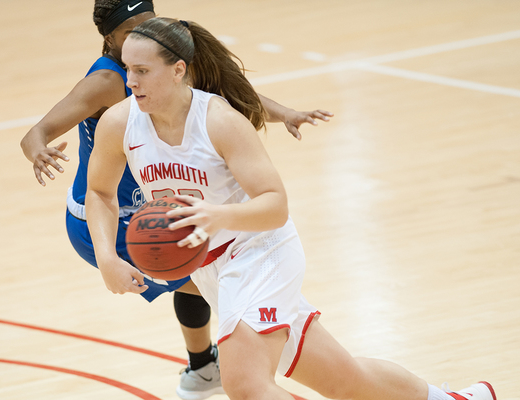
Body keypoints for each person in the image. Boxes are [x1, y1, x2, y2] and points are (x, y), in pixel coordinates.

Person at [85, 16, 497, 400]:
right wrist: (106, 257)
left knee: (246, 384)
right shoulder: (119, 123)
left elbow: (275, 205)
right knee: (346, 380)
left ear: (178, 70)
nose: (131, 81)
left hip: (259, 251)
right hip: (211, 269)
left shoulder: (219, 121)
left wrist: (216, 215)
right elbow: (100, 192)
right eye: (128, 69)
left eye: (143, 71)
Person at [20, 1, 333, 399]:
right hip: (116, 220)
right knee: (198, 280)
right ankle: (205, 365)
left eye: (149, 23)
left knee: (252, 359)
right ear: (112, 39)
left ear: (178, 68)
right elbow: (61, 157)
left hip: (187, 219)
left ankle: (204, 366)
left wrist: (284, 112)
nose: (145, 34)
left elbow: (230, 93)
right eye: (132, 33)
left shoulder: (178, 80)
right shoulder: (113, 87)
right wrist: (40, 152)